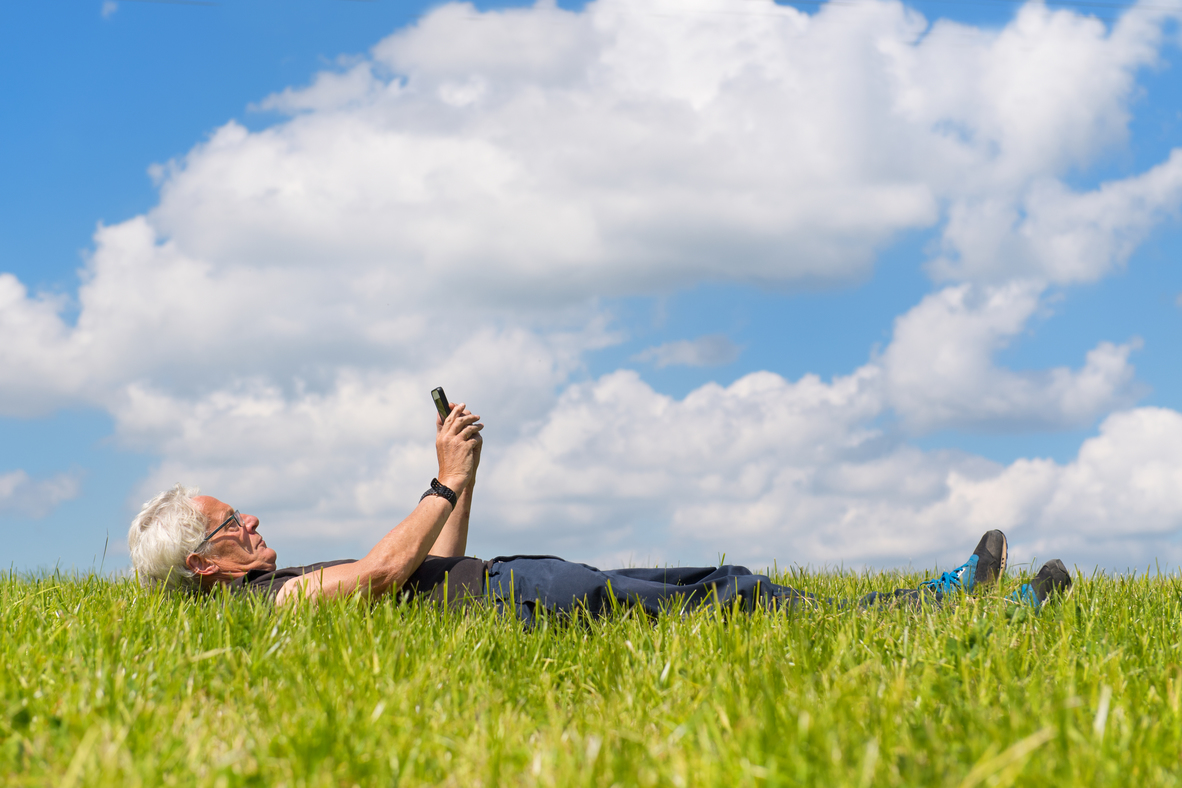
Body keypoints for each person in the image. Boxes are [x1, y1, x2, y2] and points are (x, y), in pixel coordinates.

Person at [127, 400, 1072, 617]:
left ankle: (946, 599)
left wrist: (467, 476)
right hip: (529, 601)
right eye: (231, 527)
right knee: (732, 602)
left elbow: (425, 570)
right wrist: (440, 479)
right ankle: (963, 607)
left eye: (242, 513)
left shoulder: (275, 589)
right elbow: (378, 571)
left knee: (731, 588)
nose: (252, 524)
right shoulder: (270, 608)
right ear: (204, 567)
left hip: (509, 586)